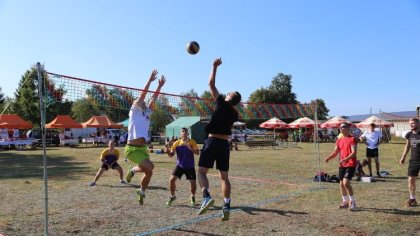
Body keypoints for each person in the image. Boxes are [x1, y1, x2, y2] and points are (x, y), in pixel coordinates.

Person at [197, 57, 242, 221]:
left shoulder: (222, 103)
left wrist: (214, 67)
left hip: (212, 141)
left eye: (229, 92)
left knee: (201, 172)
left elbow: (211, 84)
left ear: (230, 98)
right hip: (224, 144)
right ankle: (227, 204)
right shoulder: (235, 113)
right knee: (224, 177)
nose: (227, 92)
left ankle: (206, 196)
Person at [124, 69, 166, 205]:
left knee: (149, 172)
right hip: (132, 149)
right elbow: (143, 94)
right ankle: (132, 169)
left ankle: (141, 191)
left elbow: (153, 98)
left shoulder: (147, 112)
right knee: (151, 166)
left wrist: (159, 86)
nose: (142, 100)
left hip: (142, 149)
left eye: (144, 101)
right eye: (140, 100)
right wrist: (150, 80)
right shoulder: (134, 110)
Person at [324, 122, 358, 210]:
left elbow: (354, 153)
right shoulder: (339, 140)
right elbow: (336, 152)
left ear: (347, 128)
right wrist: (329, 158)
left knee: (346, 183)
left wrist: (345, 159)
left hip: (350, 164)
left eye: (343, 127)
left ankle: (352, 202)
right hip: (342, 164)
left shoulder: (352, 139)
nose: (341, 128)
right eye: (340, 127)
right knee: (341, 184)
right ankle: (345, 202)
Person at [164, 127, 199, 206]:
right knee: (171, 180)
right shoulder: (176, 143)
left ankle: (192, 196)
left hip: (190, 166)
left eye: (185, 131)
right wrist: (167, 152)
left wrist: (191, 149)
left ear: (188, 133)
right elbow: (171, 155)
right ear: (180, 133)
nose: (184, 133)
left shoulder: (192, 142)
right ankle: (172, 196)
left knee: (193, 183)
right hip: (179, 165)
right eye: (182, 131)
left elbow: (197, 153)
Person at [399, 118, 420, 207]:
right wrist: (403, 157)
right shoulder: (409, 134)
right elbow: (407, 146)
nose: (411, 125)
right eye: (410, 124)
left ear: (418, 124)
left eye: (413, 123)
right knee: (411, 179)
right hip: (414, 160)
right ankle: (412, 199)